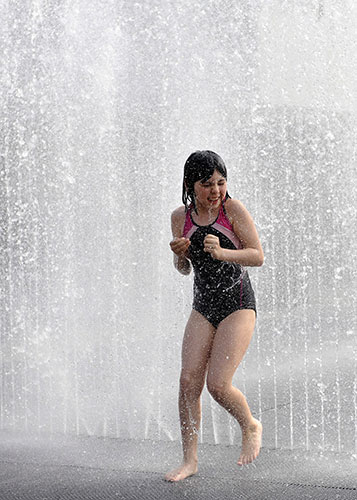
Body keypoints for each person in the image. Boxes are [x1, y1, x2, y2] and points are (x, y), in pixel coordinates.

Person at [165, 150, 264, 482]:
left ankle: (249, 424)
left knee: (218, 385)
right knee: (187, 382)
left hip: (237, 303)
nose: (216, 191)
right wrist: (180, 257)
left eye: (221, 182)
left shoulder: (231, 211)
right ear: (191, 185)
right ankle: (189, 460)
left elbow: (257, 255)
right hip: (203, 305)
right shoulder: (181, 217)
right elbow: (184, 269)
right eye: (207, 184)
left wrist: (223, 252)